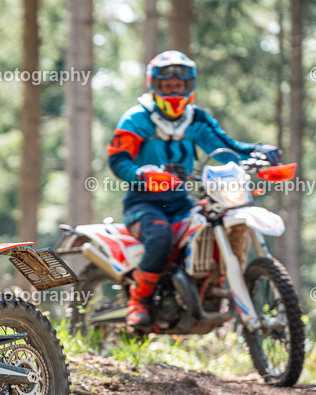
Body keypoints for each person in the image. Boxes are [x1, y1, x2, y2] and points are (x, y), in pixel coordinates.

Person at [106, 50, 281, 328]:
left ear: (189, 85)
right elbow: (118, 159)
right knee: (161, 235)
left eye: (180, 84)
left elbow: (226, 148)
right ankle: (138, 300)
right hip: (144, 203)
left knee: (214, 223)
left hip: (181, 199)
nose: (174, 90)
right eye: (168, 85)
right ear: (156, 85)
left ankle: (211, 288)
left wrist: (258, 153)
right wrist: (142, 174)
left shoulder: (196, 118)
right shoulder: (137, 118)